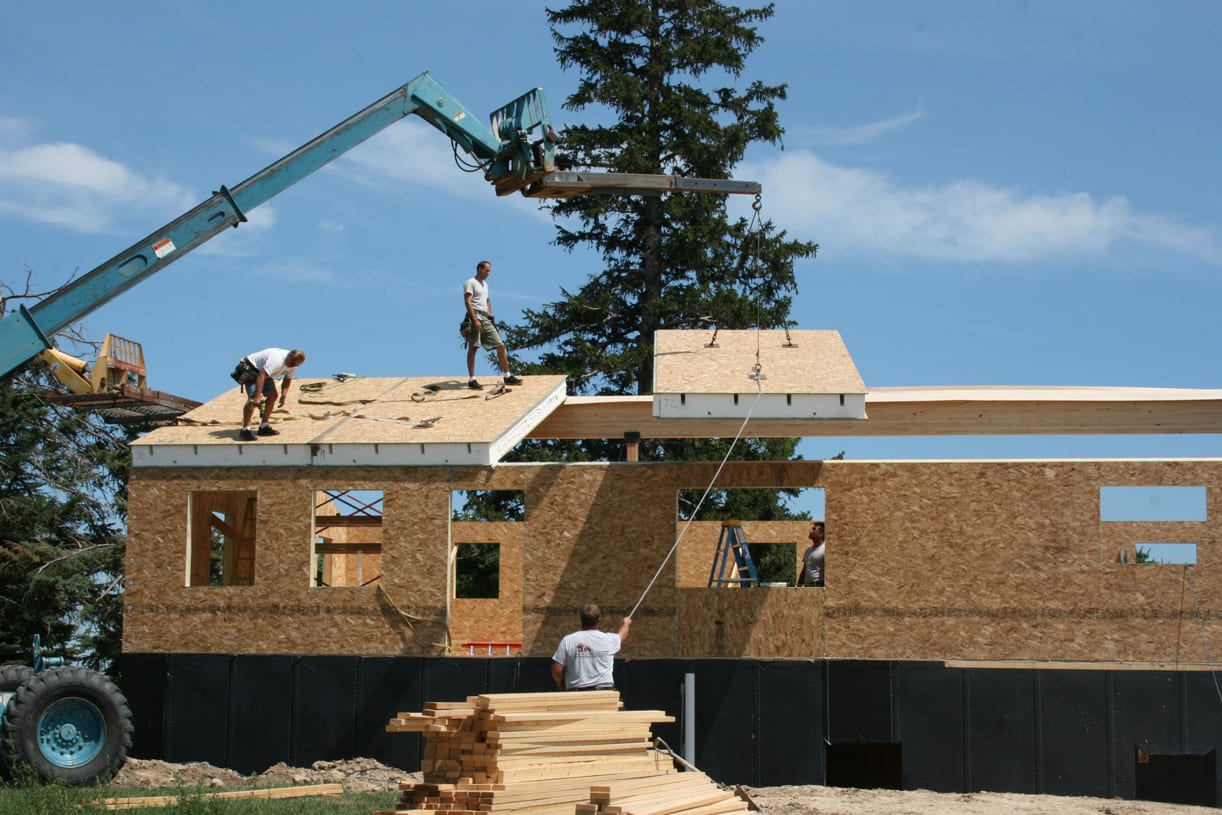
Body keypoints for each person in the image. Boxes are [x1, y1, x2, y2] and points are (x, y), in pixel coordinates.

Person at [462, 260, 522, 390]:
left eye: (489, 271)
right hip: (475, 318)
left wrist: (489, 312)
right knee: (474, 348)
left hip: (485, 318)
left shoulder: (485, 285)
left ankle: (507, 376)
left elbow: (487, 299)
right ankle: (472, 379)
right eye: (486, 270)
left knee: (500, 345)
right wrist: (475, 320)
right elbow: (468, 301)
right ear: (479, 269)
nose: (488, 273)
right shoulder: (470, 282)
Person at [551, 604, 631, 691]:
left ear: (581, 620)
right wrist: (626, 623)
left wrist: (562, 683)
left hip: (577, 695)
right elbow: (622, 635)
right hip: (604, 694)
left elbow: (557, 670)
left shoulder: (568, 640)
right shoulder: (609, 639)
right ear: (599, 619)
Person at [234, 347, 306, 441]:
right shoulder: (277, 360)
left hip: (264, 373)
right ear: (289, 356)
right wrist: (257, 396)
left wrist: (283, 395)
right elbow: (262, 375)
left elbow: (287, 380)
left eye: (295, 365)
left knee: (273, 396)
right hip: (252, 368)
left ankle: (264, 427)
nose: (291, 367)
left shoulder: (293, 365)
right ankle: (245, 430)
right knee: (252, 400)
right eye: (292, 363)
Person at [798, 521, 825, 587]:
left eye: (814, 529)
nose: (810, 531)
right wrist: (798, 586)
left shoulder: (825, 549)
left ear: (821, 534)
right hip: (807, 586)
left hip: (819, 586)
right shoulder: (808, 551)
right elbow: (804, 570)